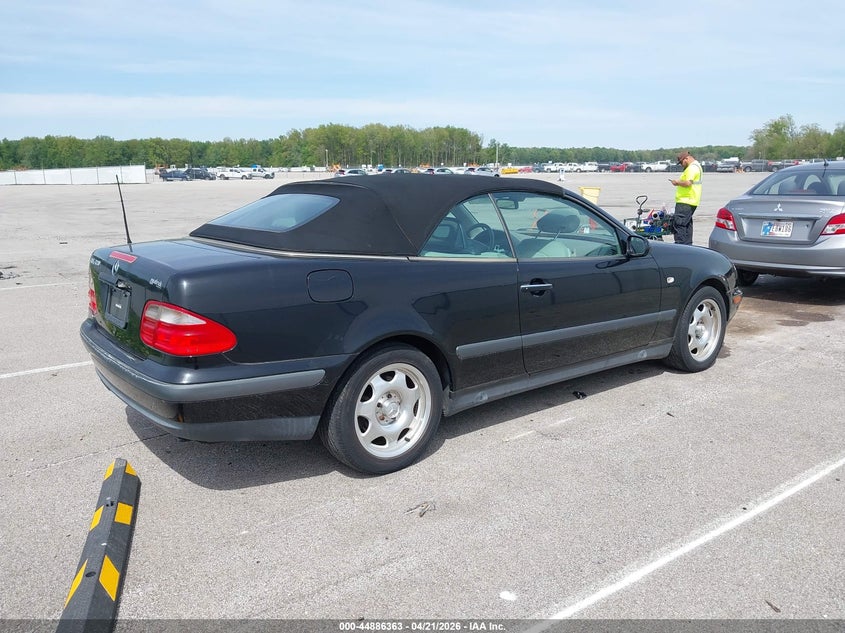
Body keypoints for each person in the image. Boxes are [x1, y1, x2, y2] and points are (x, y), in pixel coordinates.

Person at [669, 150, 703, 245]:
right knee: (687, 226)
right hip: (692, 201)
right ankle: (688, 247)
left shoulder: (692, 168)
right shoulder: (697, 166)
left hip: (685, 201)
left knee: (679, 225)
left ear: (686, 159)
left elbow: (688, 182)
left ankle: (680, 248)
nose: (681, 165)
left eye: (681, 162)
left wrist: (676, 182)